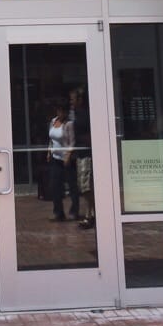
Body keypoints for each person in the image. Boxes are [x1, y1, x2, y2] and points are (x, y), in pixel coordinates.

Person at [46, 102, 79, 221]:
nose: (60, 113)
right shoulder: (53, 121)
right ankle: (58, 212)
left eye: (62, 111)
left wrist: (68, 156)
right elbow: (51, 139)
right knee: (55, 185)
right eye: (59, 110)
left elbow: (72, 141)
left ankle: (74, 211)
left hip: (66, 159)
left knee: (72, 186)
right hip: (55, 158)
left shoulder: (69, 124)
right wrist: (49, 151)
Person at [70, 87, 95, 229]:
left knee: (85, 186)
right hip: (80, 153)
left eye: (73, 99)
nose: (71, 102)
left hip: (86, 153)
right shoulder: (75, 114)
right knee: (83, 186)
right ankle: (91, 213)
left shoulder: (86, 114)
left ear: (80, 99)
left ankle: (89, 215)